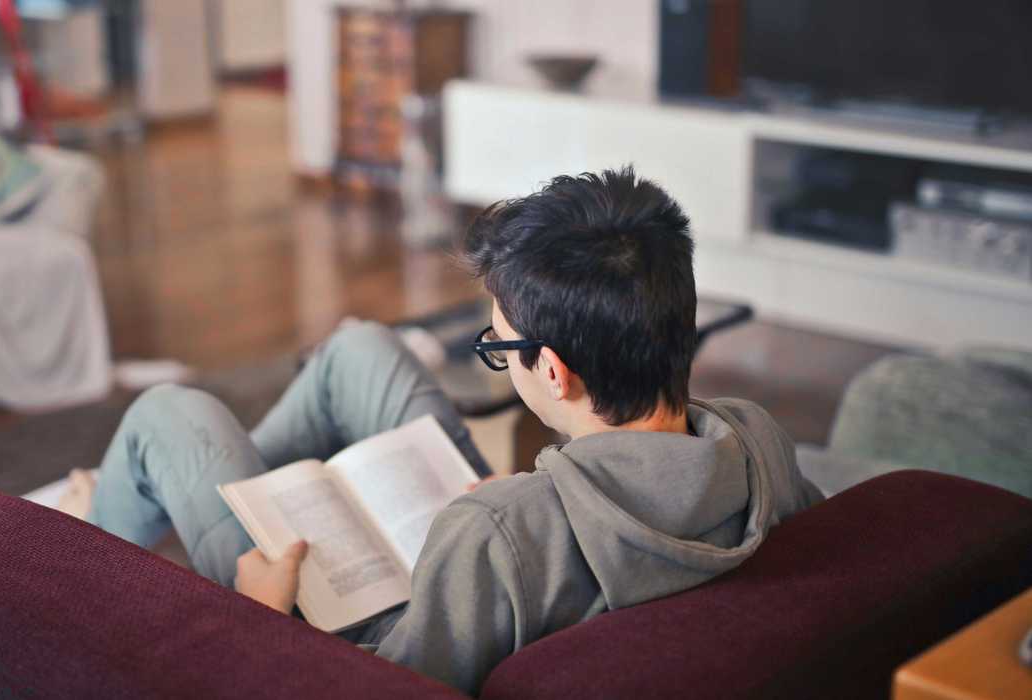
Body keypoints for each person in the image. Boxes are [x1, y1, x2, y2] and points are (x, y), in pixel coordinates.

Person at [60, 166, 824, 695]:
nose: (500, 359)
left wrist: (259, 619)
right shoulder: (755, 439)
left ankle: (94, 535)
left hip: (349, 626)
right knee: (358, 349)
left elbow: (382, 687)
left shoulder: (496, 530)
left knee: (173, 415)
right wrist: (539, 500)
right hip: (520, 544)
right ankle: (217, 484)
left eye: (500, 347)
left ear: (551, 372)